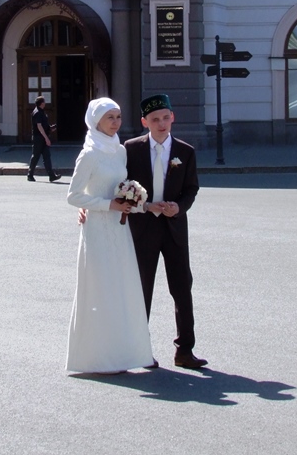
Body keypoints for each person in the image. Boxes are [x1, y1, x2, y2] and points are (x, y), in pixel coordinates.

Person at [66, 98, 155, 374]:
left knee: (122, 289)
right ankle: (98, 357)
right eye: (109, 117)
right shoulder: (89, 154)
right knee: (102, 290)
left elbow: (121, 186)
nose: (116, 122)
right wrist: (107, 205)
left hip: (119, 228)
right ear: (96, 122)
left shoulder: (119, 151)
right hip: (97, 229)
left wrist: (138, 201)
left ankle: (124, 354)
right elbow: (73, 196)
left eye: (118, 116)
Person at [125, 93, 207, 369]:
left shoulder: (186, 152)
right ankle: (139, 349)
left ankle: (184, 350)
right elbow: (120, 186)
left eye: (165, 118)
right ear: (144, 122)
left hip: (173, 229)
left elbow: (191, 189)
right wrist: (144, 206)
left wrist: (179, 207)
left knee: (182, 288)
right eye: (154, 119)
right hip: (143, 229)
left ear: (173, 117)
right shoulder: (131, 149)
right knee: (141, 289)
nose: (161, 124)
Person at [27, 95, 61, 182]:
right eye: (44, 102)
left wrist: (50, 128)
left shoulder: (40, 112)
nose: (45, 103)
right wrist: (46, 138)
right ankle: (30, 174)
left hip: (41, 137)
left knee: (47, 156)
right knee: (36, 156)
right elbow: (39, 126)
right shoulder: (38, 112)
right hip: (39, 138)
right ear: (42, 103)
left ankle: (51, 175)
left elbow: (43, 125)